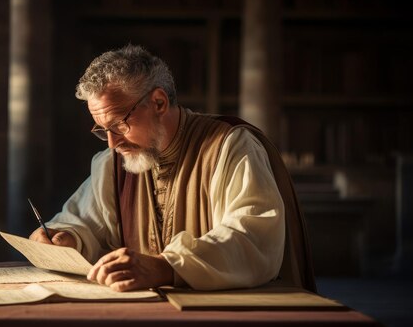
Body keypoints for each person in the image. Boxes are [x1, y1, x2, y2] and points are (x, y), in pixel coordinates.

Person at [30, 44, 315, 292]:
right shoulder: (112, 164)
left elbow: (253, 238)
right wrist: (66, 238)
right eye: (102, 129)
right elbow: (82, 223)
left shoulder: (230, 146)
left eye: (119, 125)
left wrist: (166, 267)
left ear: (158, 103)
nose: (112, 142)